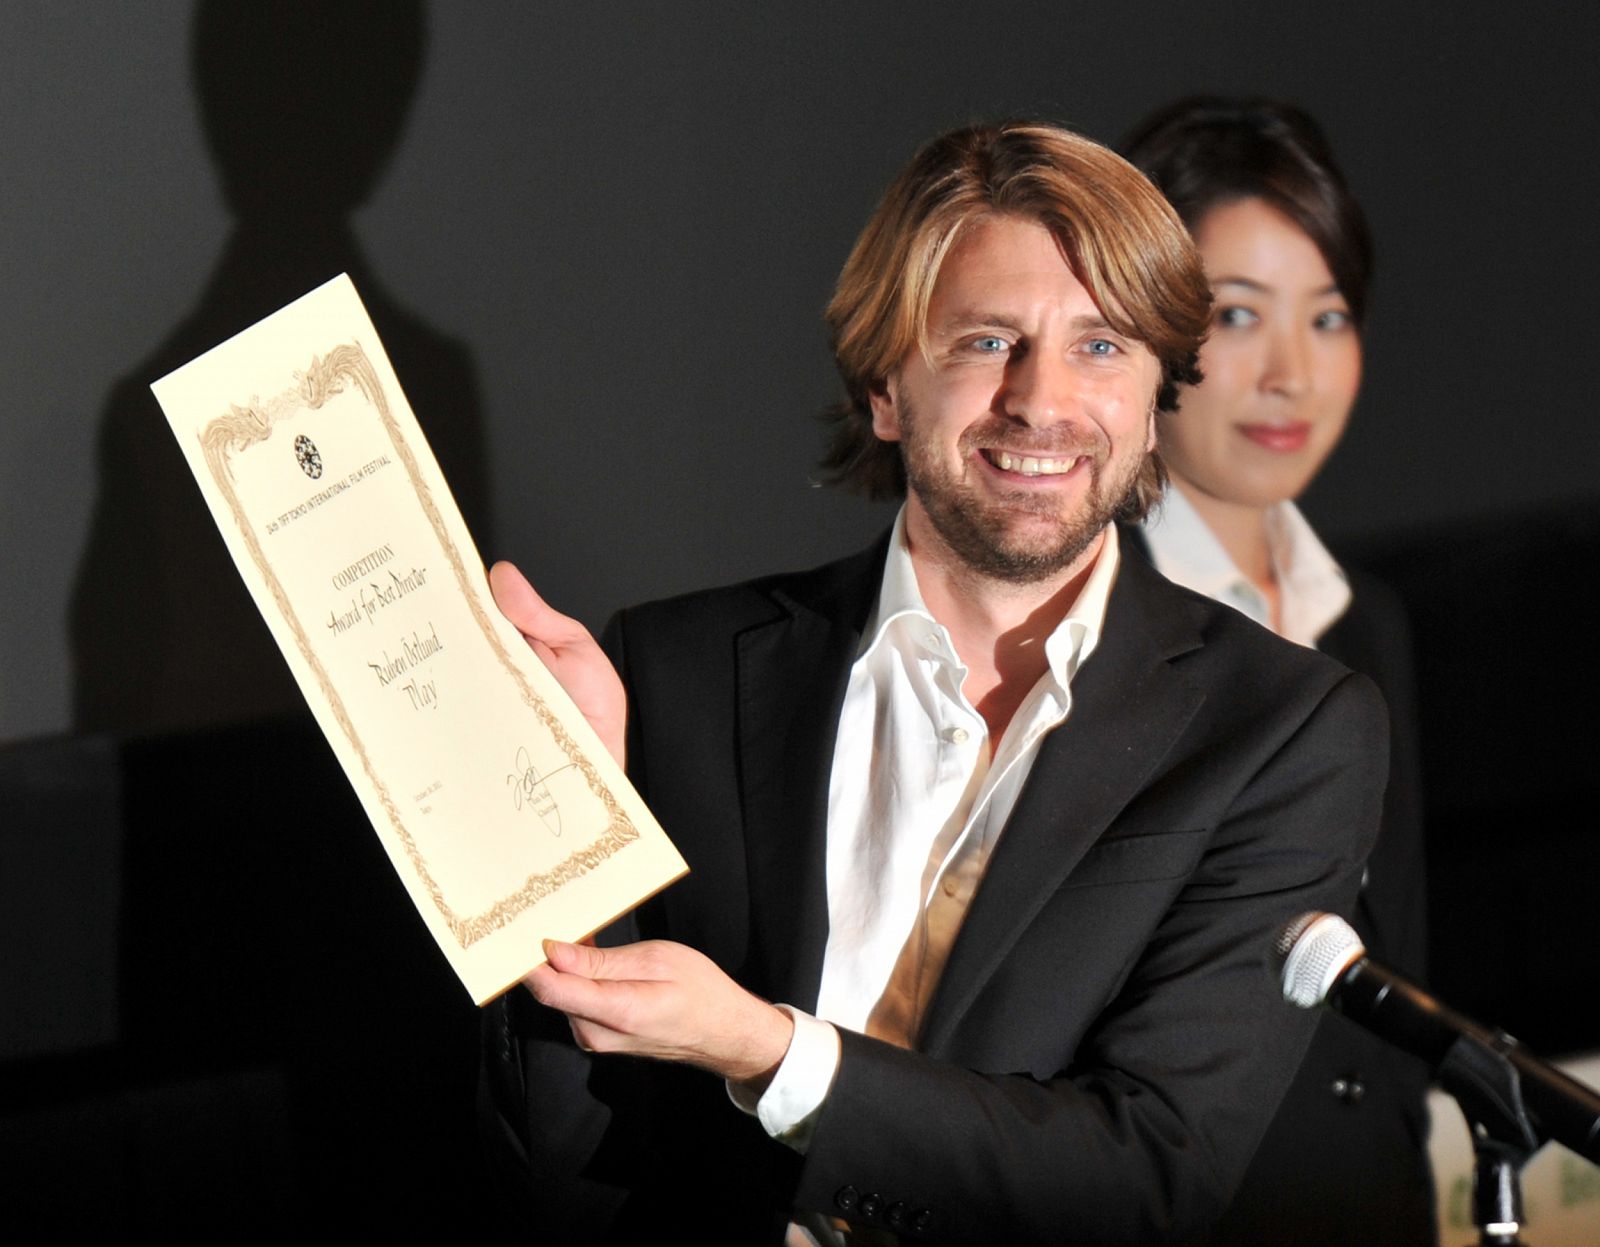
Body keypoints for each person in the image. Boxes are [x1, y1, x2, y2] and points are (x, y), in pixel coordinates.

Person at [478, 120, 1388, 1245]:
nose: (1040, 400)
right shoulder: (669, 673)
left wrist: (769, 1049)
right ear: (884, 388)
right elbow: (566, 1155)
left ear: (1158, 396)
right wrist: (556, 855)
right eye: (988, 339)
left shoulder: (1280, 729)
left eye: (1101, 345)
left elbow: (1147, 1179)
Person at [1119, 98, 1433, 1243]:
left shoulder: (1367, 622)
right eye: (1238, 314)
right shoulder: (1084, 629)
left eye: (1331, 316)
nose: (1292, 372)